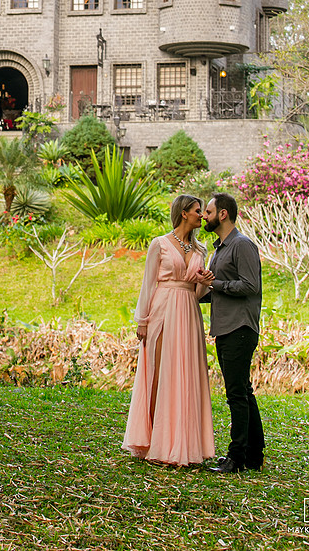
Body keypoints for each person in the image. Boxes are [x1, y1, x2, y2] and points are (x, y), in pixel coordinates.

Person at [122, 194, 215, 467]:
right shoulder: (159, 244)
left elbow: (197, 293)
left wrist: (206, 282)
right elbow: (148, 284)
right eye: (198, 211)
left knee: (186, 375)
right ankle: (151, 440)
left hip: (188, 312)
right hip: (163, 311)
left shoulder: (201, 250)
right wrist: (143, 320)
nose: (202, 215)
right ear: (184, 213)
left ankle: (184, 443)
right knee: (159, 372)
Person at [202, 192, 265, 473]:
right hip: (226, 328)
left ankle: (236, 458)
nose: (204, 215)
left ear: (223, 214)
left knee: (236, 395)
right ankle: (253, 456)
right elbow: (215, 290)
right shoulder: (219, 249)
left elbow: (250, 286)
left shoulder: (241, 245)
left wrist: (216, 285)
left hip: (240, 327)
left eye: (208, 211)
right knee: (243, 392)